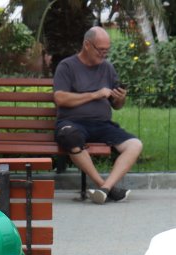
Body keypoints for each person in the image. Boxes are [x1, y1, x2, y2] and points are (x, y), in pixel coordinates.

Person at [52, 26, 143, 205]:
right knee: (69, 136)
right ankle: (105, 187)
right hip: (72, 123)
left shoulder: (107, 68)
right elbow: (60, 98)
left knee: (134, 144)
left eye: (106, 51)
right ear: (87, 45)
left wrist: (120, 99)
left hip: (101, 124)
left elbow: (116, 106)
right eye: (101, 50)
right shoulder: (67, 66)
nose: (104, 55)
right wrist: (94, 94)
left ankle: (105, 189)